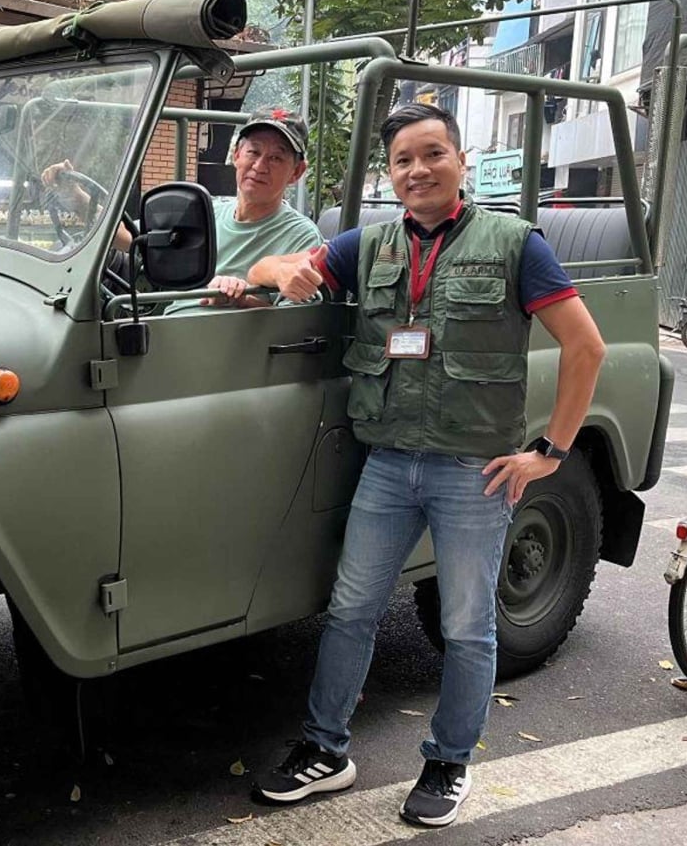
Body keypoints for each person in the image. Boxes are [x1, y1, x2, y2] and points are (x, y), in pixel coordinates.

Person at [241, 102, 606, 828]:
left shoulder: (514, 244)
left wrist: (549, 452)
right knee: (350, 610)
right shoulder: (368, 245)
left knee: (469, 625)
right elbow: (268, 264)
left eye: (433, 153)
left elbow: (585, 345)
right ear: (391, 173)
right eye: (404, 160)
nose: (418, 170)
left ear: (461, 161)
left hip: (474, 471)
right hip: (388, 463)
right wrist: (285, 273)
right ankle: (324, 748)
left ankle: (449, 759)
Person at [41, 107, 324, 309]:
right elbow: (132, 239)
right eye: (254, 152)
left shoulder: (301, 236)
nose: (260, 166)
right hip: (170, 334)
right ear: (237, 155)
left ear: (297, 172)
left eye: (276, 158)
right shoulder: (207, 210)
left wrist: (240, 299)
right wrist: (75, 196)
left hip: (234, 361)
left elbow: (291, 326)